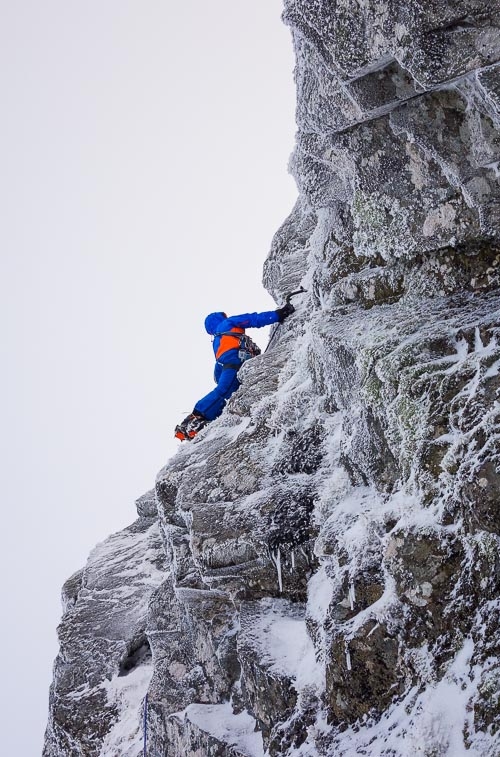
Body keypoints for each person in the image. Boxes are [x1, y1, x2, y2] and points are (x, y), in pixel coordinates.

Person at [175, 303, 295, 440]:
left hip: (228, 366)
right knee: (224, 390)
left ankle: (203, 422)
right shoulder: (228, 323)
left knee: (226, 390)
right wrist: (278, 315)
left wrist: (221, 376)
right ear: (220, 318)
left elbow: (219, 368)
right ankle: (195, 419)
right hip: (236, 362)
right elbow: (252, 319)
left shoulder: (217, 340)